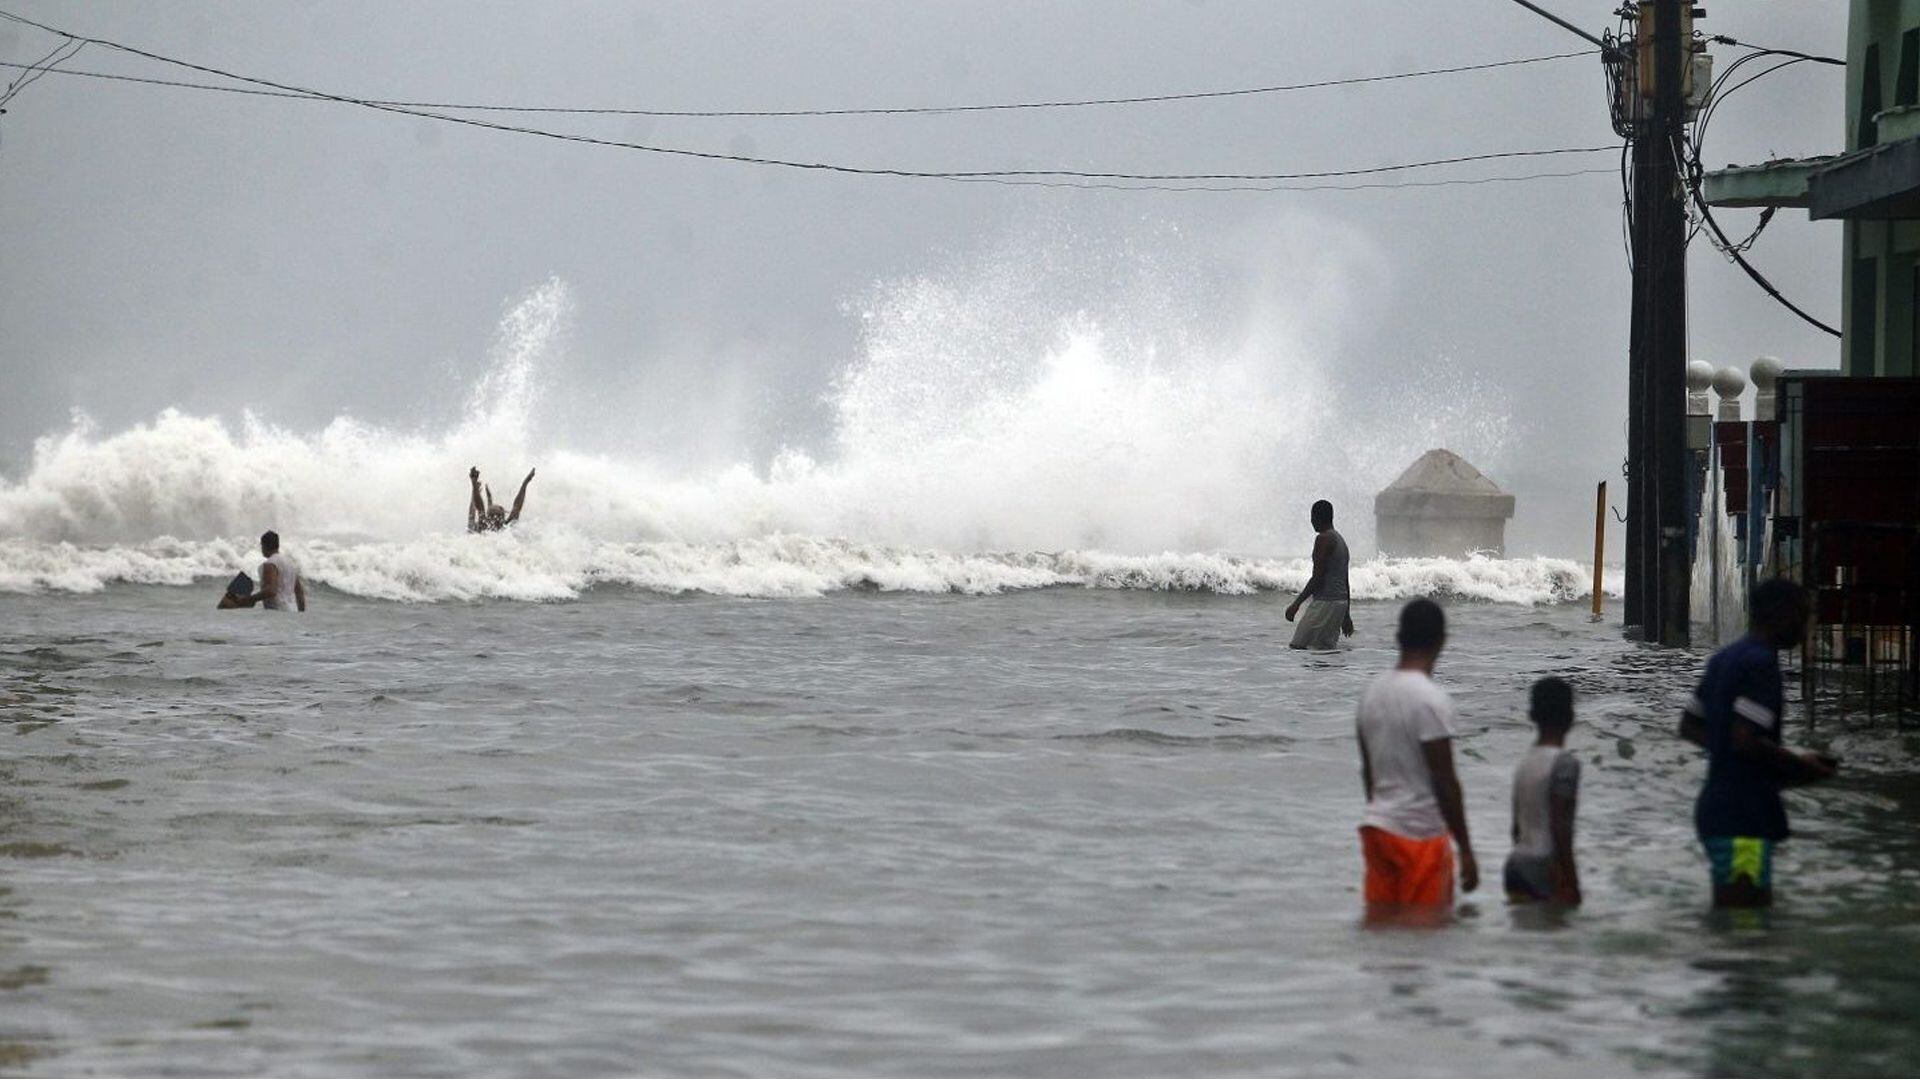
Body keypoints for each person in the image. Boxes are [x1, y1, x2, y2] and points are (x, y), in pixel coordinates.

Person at [1679, 578, 1837, 908]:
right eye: (1802, 615)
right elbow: (1745, 740)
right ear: (1779, 615)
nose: (1805, 627)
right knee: (1744, 923)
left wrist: (1733, 755)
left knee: (1741, 918)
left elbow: (1690, 726)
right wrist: (1800, 766)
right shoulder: (1762, 663)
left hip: (1717, 808)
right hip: (1743, 817)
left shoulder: (1725, 658)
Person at [1356, 598, 1478, 912]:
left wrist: (1382, 811)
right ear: (1441, 640)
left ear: (1399, 637)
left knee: (1383, 925)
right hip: (1419, 837)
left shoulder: (1372, 694)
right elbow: (1445, 781)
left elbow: (1369, 773)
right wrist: (1466, 848)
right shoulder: (1430, 700)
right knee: (1425, 928)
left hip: (1377, 830)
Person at [1504, 677, 1581, 906]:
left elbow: (1516, 829)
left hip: (1516, 865)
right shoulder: (1565, 764)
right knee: (1555, 926)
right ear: (1570, 717)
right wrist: (1571, 880)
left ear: (1532, 715)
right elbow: (1560, 825)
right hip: (1544, 865)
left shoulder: (1525, 762)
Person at [1285, 499, 1354, 650]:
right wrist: (1346, 614)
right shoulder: (1341, 541)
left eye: (1312, 517)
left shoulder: (1323, 538)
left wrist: (1296, 604)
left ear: (1317, 517)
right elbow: (1345, 580)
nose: (1311, 521)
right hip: (1340, 603)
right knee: (1323, 650)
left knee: (1298, 646)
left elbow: (1318, 577)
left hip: (1326, 602)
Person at [239, 530, 306, 612]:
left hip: (277, 611)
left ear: (264, 545)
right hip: (292, 610)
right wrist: (301, 614)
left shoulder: (270, 563)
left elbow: (271, 591)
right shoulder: (290, 564)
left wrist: (249, 599)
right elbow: (299, 592)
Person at [468, 465, 534, 533]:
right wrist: (525, 483)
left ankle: (475, 493)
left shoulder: (483, 525)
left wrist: (474, 485)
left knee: (471, 523)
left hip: (478, 534)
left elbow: (479, 508)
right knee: (471, 523)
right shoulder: (506, 526)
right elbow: (517, 506)